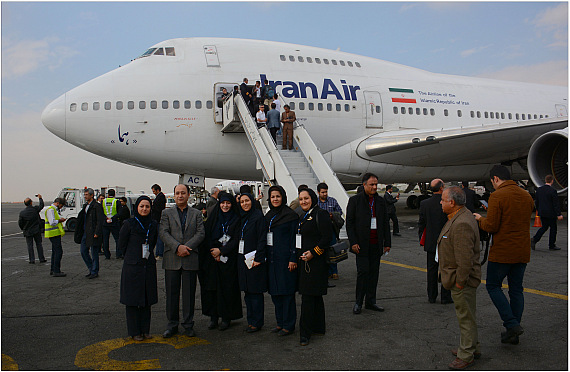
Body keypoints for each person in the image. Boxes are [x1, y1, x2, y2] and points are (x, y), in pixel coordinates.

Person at [474, 165, 534, 345]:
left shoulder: (497, 196)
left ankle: (511, 323)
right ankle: (512, 332)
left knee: (493, 286)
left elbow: (491, 226)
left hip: (502, 252)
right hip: (522, 250)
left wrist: (479, 219)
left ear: (495, 179)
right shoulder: (526, 195)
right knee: (516, 289)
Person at [438, 186, 481, 370]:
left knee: (465, 317)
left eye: (442, 200)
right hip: (459, 277)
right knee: (467, 315)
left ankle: (466, 354)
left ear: (452, 202)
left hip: (462, 279)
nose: (440, 203)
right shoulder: (460, 216)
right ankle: (472, 346)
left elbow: (465, 259)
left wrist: (459, 282)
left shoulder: (462, 222)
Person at [159, 184, 205, 338]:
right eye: (177, 193)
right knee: (171, 295)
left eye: (183, 193)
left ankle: (188, 324)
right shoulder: (166, 213)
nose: (180, 196)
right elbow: (163, 232)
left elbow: (200, 233)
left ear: (188, 195)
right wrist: (177, 247)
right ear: (174, 195)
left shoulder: (196, 213)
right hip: (172, 258)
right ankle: (172, 325)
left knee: (189, 295)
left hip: (190, 257)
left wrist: (186, 247)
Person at [346, 173, 391, 314]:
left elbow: (385, 222)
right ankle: (358, 302)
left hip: (376, 244)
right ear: (364, 185)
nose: (374, 187)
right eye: (371, 184)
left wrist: (387, 242)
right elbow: (350, 224)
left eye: (376, 184)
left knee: (374, 274)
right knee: (363, 273)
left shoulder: (380, 201)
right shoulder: (355, 201)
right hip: (361, 245)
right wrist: (353, 242)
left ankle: (371, 301)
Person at [199, 191, 243, 331]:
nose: (225, 205)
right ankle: (213, 317)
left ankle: (226, 317)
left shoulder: (236, 219)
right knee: (212, 289)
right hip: (212, 259)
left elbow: (236, 239)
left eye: (228, 203)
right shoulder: (214, 217)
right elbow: (206, 235)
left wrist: (222, 251)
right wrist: (213, 251)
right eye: (223, 203)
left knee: (227, 289)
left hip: (228, 259)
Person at [119, 196, 159, 341]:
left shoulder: (153, 224)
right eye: (142, 206)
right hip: (132, 267)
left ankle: (145, 330)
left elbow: (153, 242)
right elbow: (121, 245)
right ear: (137, 207)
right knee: (132, 301)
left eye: (147, 207)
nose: (144, 209)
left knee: (146, 300)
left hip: (147, 266)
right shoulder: (129, 224)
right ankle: (135, 331)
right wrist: (132, 257)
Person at [297, 188, 333, 346]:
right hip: (305, 262)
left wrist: (313, 253)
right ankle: (318, 327)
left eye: (306, 198)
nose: (303, 201)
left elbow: (327, 238)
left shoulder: (320, 214)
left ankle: (305, 333)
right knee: (315, 296)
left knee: (308, 297)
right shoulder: (303, 215)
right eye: (301, 199)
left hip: (315, 263)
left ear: (312, 198)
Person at [265, 186, 299, 336]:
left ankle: (289, 325)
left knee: (287, 294)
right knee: (275, 293)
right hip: (272, 261)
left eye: (278, 196)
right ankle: (280, 323)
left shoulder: (291, 216)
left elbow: (295, 240)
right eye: (272, 197)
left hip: (286, 260)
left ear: (283, 197)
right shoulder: (269, 216)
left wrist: (293, 258)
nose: (275, 199)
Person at [237, 192, 268, 333]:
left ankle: (257, 322)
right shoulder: (241, 217)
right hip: (243, 260)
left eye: (247, 201)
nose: (245, 204)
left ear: (252, 201)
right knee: (248, 292)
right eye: (242, 201)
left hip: (254, 259)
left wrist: (259, 258)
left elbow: (262, 239)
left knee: (255, 292)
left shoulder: (258, 217)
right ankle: (251, 321)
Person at [418, 179, 453, 304]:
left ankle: (431, 296)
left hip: (431, 241)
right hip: (446, 241)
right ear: (442, 188)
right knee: (446, 270)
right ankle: (445, 296)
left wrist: (422, 238)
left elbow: (421, 223)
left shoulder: (424, 203)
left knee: (431, 270)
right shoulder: (447, 203)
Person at [316, 182, 343, 283]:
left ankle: (334, 272)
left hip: (331, 229)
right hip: (320, 231)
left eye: (326, 192)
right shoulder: (316, 203)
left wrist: (333, 215)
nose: (324, 194)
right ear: (318, 192)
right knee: (322, 250)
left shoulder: (332, 201)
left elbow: (339, 211)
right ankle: (325, 272)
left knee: (332, 250)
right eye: (322, 192)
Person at [77, 188, 105, 279]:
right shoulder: (86, 206)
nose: (85, 196)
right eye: (84, 195)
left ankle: (94, 271)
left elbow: (100, 220)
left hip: (93, 233)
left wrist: (97, 232)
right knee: (83, 251)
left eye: (86, 195)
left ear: (91, 195)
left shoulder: (96, 206)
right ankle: (91, 268)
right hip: (86, 232)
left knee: (94, 253)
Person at [531, 174, 563, 251]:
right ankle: (551, 245)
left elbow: (537, 202)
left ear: (545, 180)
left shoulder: (539, 190)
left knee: (544, 227)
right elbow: (555, 204)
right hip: (551, 213)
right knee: (553, 229)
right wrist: (558, 214)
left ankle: (534, 239)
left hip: (542, 212)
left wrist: (539, 210)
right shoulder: (553, 191)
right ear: (552, 181)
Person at [18, 194, 46, 264]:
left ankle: (31, 259)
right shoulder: (35, 209)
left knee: (30, 245)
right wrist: (40, 198)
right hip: (36, 230)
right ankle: (41, 258)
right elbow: (41, 206)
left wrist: (23, 229)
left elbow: (20, 223)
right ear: (31, 203)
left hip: (27, 231)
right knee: (39, 244)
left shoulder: (22, 213)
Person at [44, 197, 67, 277]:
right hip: (53, 233)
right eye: (61, 206)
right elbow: (52, 222)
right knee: (58, 252)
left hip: (54, 233)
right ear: (58, 203)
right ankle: (56, 270)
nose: (61, 207)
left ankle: (53, 269)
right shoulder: (51, 210)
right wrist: (60, 221)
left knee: (55, 251)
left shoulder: (53, 210)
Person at [102, 189, 121, 260]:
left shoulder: (103, 201)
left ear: (108, 194)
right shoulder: (117, 201)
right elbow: (120, 213)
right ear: (115, 194)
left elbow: (101, 212)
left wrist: (106, 218)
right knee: (117, 239)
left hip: (105, 223)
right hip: (114, 223)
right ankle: (118, 254)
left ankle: (107, 255)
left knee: (105, 240)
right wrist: (113, 218)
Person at [152, 184, 166, 260]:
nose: (153, 192)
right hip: (157, 219)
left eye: (154, 191)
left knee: (159, 237)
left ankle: (160, 253)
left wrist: (153, 207)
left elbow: (159, 208)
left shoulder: (160, 197)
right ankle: (158, 253)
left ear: (157, 190)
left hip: (158, 219)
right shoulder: (159, 196)